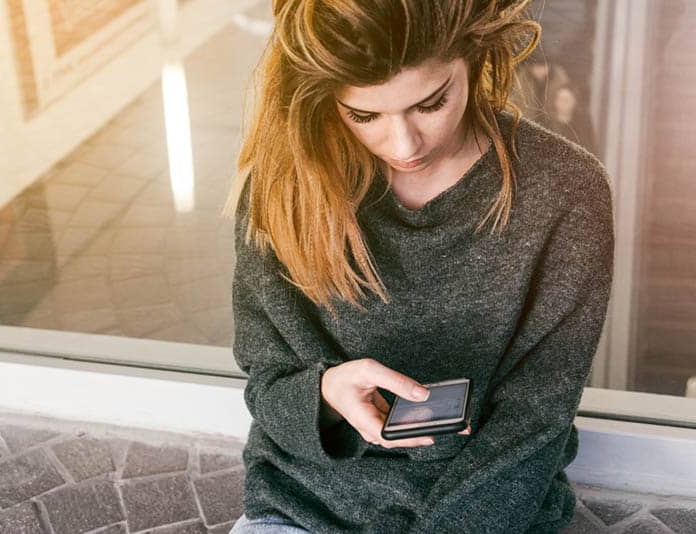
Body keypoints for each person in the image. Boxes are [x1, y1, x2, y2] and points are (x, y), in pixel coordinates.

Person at [223, 1, 615, 532]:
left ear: (476, 60)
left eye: (431, 103)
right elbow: (266, 382)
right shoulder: (285, 188)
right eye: (363, 115)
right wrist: (325, 396)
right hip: (306, 505)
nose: (404, 144)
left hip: (485, 509)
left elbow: (534, 423)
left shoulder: (566, 192)